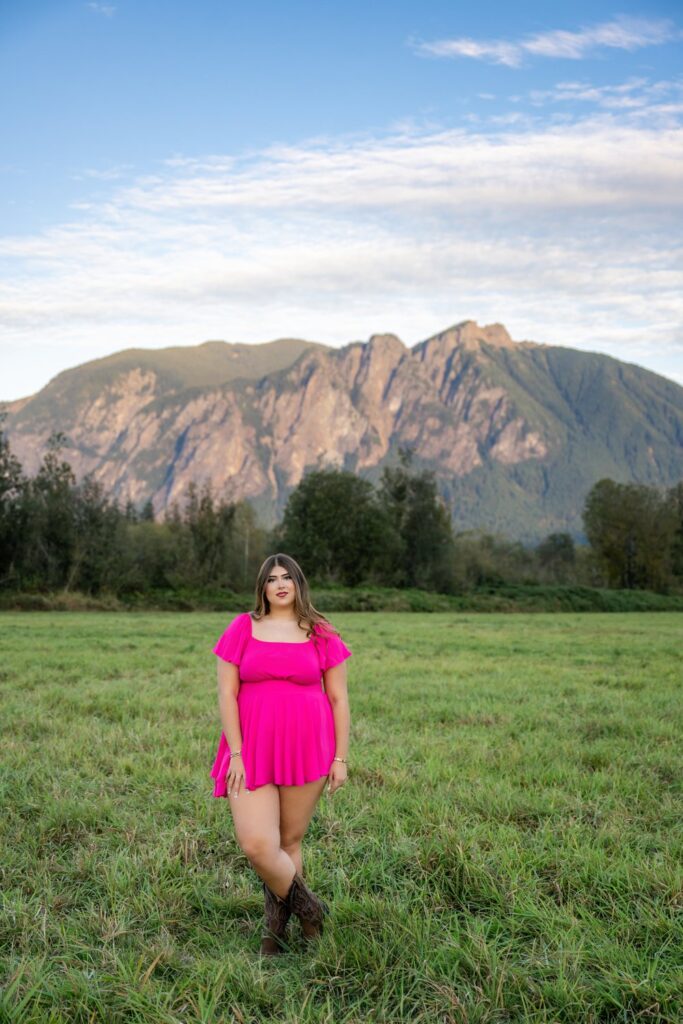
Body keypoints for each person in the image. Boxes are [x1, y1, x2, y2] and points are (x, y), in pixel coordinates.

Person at [209, 552, 352, 955]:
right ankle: (312, 909)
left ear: (299, 584)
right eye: (272, 579)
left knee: (289, 843)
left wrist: (339, 759)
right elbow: (226, 693)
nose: (281, 584)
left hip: (308, 746)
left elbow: (339, 699)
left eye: (287, 577)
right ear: (263, 588)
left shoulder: (321, 632)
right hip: (250, 747)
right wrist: (235, 753)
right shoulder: (242, 627)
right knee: (258, 844)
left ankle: (275, 936)